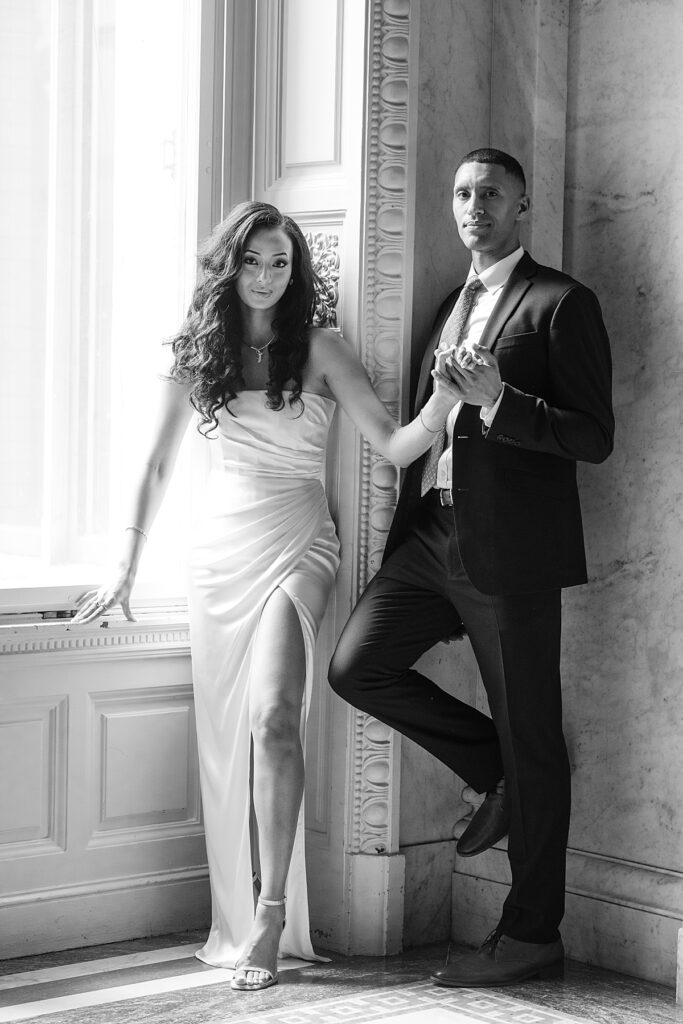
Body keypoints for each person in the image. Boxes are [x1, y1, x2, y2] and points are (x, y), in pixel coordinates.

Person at [73, 200, 462, 993]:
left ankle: (273, 911)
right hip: (216, 554)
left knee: (274, 717)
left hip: (298, 543)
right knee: (229, 736)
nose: (264, 275)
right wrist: (124, 564)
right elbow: (153, 468)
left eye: (280, 262)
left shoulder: (319, 348)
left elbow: (391, 445)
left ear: (296, 271)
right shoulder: (197, 356)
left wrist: (447, 400)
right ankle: (240, 902)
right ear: (229, 266)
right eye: (252, 260)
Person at [329, 148, 615, 988]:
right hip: (430, 539)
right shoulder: (448, 307)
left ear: (521, 203)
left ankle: (531, 935)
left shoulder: (561, 302)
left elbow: (592, 436)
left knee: (535, 738)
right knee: (356, 666)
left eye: (490, 192)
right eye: (460, 192)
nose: (472, 205)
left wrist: (498, 399)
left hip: (512, 554)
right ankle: (491, 772)